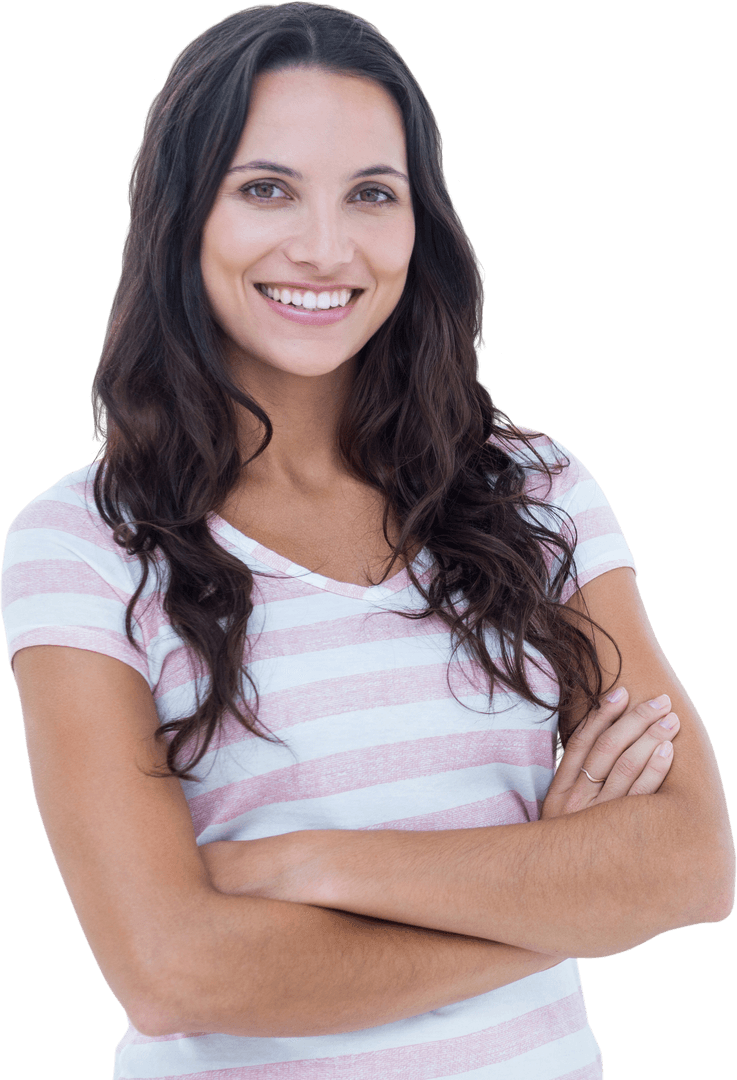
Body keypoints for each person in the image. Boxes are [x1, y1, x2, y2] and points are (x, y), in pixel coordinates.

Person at [1, 3, 733, 1078]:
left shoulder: (532, 490)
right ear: (183, 215)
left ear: (416, 223)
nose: (323, 246)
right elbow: (171, 973)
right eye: (266, 189)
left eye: (370, 195)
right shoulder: (83, 543)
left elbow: (687, 864)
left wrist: (302, 865)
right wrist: (561, 890)